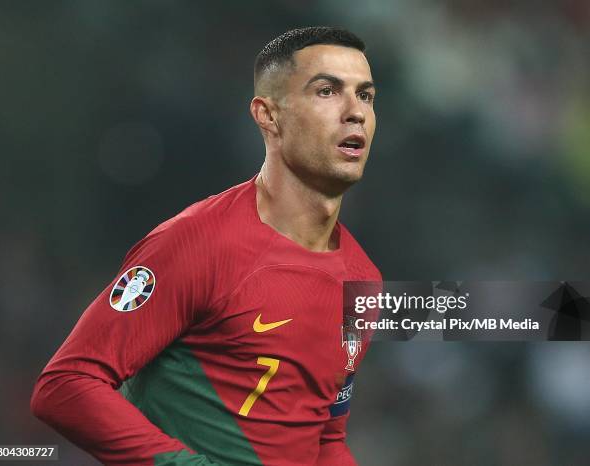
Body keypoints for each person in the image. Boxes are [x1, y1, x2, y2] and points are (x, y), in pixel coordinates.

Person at [31, 26, 381, 466]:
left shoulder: (364, 280)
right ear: (268, 116)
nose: (355, 112)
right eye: (327, 91)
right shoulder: (197, 242)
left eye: (366, 96)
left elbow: (326, 438)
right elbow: (65, 384)